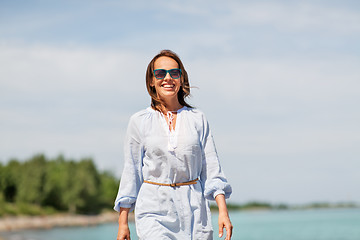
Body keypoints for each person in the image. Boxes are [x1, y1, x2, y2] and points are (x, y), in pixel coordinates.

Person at [114, 50, 233, 240]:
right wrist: (123, 223)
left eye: (174, 73)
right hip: (154, 209)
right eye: (160, 73)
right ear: (151, 80)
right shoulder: (139, 121)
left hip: (195, 210)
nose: (167, 78)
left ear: (181, 78)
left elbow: (211, 168)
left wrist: (223, 211)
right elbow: (131, 172)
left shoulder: (197, 119)